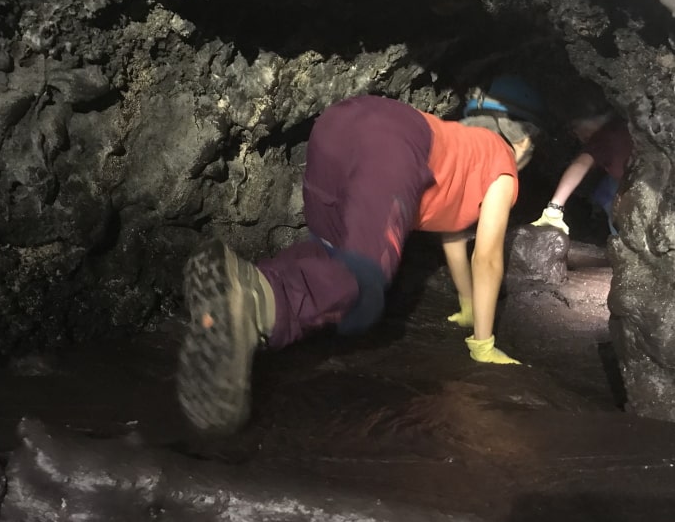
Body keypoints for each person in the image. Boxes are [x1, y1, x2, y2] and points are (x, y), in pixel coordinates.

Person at [178, 79, 543, 434]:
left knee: (330, 257)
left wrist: (467, 303)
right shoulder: (502, 165)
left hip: (338, 124)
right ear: (524, 139)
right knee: (363, 287)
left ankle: (237, 300)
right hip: (390, 140)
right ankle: (255, 303)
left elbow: (453, 237)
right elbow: (488, 257)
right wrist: (483, 344)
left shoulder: (462, 145)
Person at [531, 108, 632, 236]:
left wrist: (554, 208)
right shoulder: (623, 126)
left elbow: (580, 164)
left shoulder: (604, 136)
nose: (576, 133)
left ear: (596, 117)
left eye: (576, 126)